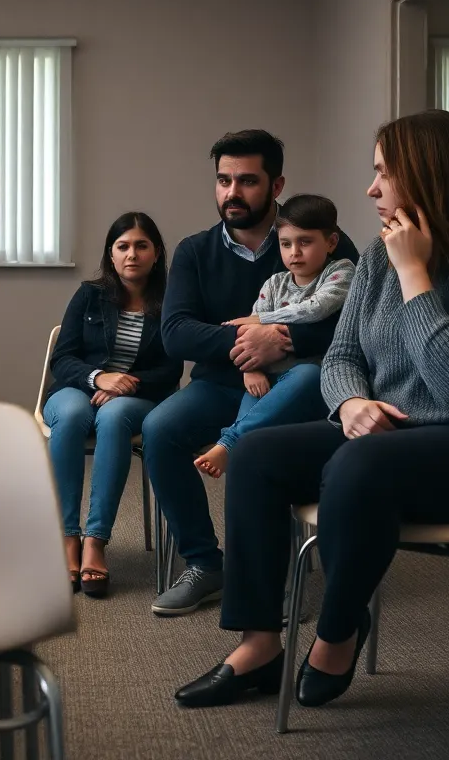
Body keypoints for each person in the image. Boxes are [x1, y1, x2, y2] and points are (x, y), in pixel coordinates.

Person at [173, 108, 449, 709]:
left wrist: (415, 272)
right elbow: (340, 354)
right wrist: (351, 401)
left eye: (383, 172)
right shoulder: (380, 255)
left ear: (427, 173)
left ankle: (338, 632)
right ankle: (258, 645)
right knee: (256, 454)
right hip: (393, 437)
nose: (371, 188)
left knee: (356, 468)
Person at [143, 130, 360, 617]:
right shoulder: (195, 250)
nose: (231, 193)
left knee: (267, 443)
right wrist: (250, 347)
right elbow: (176, 333)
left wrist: (282, 340)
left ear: (276, 184)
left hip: (304, 385)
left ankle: (278, 574)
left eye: (246, 180)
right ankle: (205, 564)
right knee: (159, 429)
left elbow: (358, 326)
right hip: (224, 383)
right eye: (223, 180)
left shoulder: (323, 239)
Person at [44, 212, 184, 598]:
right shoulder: (90, 294)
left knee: (114, 414)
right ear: (111, 254)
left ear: (156, 253)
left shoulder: (172, 299)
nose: (132, 254)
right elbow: (64, 357)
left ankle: (96, 541)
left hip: (135, 399)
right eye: (122, 246)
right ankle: (67, 537)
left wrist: (125, 385)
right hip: (78, 390)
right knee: (71, 415)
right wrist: (98, 377)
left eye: (141, 245)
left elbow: (172, 366)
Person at [194, 194, 355, 478]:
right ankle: (232, 449)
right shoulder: (275, 283)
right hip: (267, 377)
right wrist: (250, 368)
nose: (294, 252)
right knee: (250, 426)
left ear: (330, 242)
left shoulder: (341, 272)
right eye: (286, 243)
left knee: (308, 373)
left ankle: (227, 443)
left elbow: (315, 309)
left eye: (305, 242)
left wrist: (262, 318)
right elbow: (247, 332)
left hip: (309, 381)